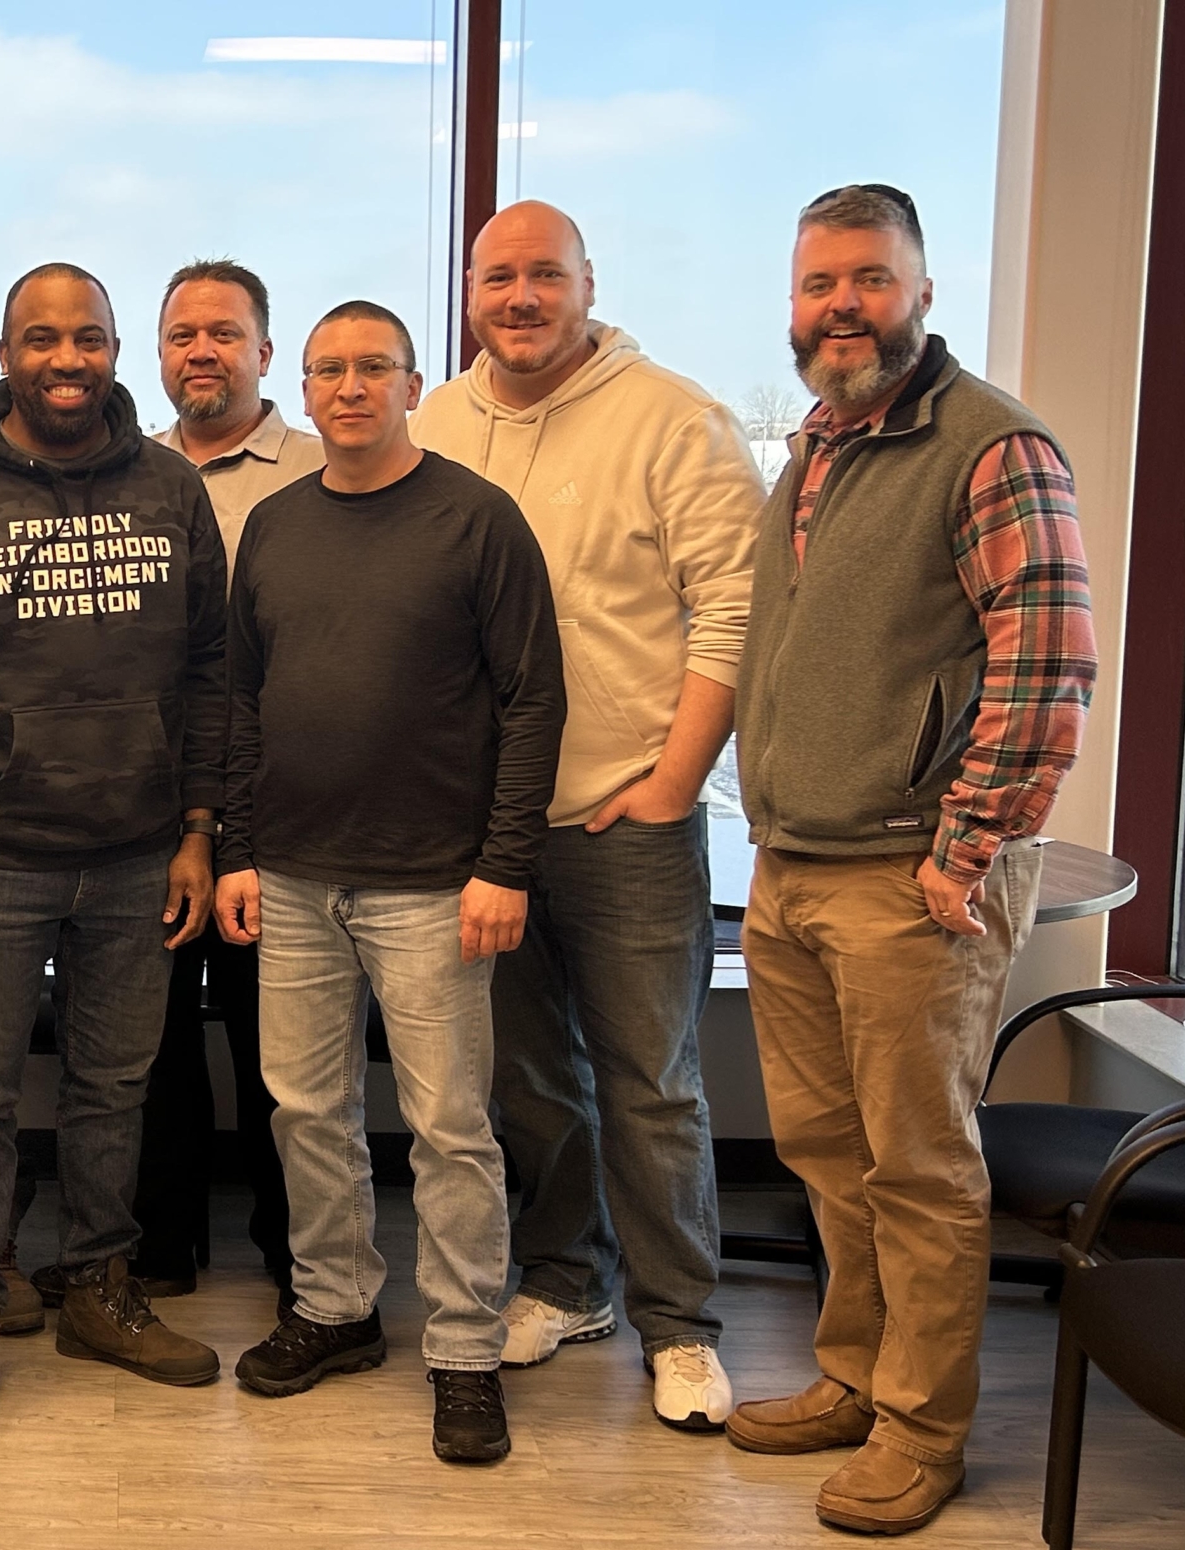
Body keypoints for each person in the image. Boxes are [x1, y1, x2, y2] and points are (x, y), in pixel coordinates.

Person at [723, 184, 1094, 1536]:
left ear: (922, 292)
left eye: (868, 279)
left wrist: (967, 846)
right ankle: (854, 1378)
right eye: (819, 283)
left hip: (912, 874)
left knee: (919, 1167)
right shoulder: (818, 447)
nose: (841, 306)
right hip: (795, 863)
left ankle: (921, 1430)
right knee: (828, 1153)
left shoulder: (992, 447)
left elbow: (1046, 663)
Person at [0, 261, 229, 1443]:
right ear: (5, 352)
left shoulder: (169, 488)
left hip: (139, 856)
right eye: (41, 338)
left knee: (112, 1088)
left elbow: (209, 673)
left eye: (87, 338)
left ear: (113, 349)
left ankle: (99, 1291)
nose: (66, 359)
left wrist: (197, 830)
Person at [410, 200, 759, 1428]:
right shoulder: (434, 422)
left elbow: (735, 609)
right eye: (496, 276)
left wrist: (671, 781)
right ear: (469, 292)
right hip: (485, 828)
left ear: (587, 283)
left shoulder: (672, 417)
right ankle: (568, 1280)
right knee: (527, 1078)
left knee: (652, 1082)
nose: (519, 298)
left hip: (627, 817)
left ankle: (682, 1324)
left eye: (543, 275)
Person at [215, 301, 562, 1466]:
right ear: (303, 388)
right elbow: (243, 702)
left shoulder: (475, 519)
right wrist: (238, 848)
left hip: (433, 882)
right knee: (304, 1108)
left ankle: (463, 1349)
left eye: (373, 367)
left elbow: (532, 701)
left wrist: (503, 863)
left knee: (449, 1125)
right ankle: (336, 1306)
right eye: (329, 369)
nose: (350, 386)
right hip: (293, 873)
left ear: (415, 385)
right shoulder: (275, 525)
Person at [128, 257, 324, 1302]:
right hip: (146, 814)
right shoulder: (126, 472)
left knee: (277, 1053)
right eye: (181, 335)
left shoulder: (319, 471)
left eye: (222, 333)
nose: (200, 351)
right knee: (147, 1048)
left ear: (264, 350)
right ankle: (159, 1247)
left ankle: (300, 1262)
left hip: (277, 815)